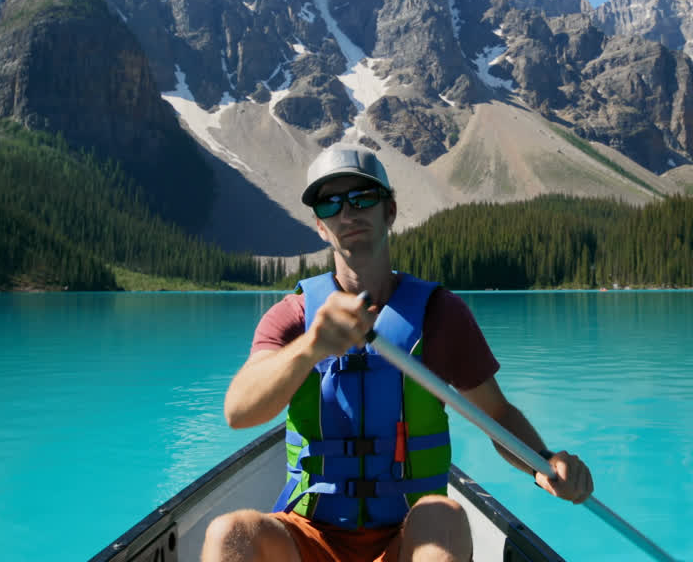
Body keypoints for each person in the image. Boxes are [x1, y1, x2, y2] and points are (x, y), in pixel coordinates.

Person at [202, 144, 593, 562]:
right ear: (319, 225)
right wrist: (310, 347)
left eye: (362, 197)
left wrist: (543, 462)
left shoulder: (441, 315)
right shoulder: (293, 316)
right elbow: (238, 412)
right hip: (311, 532)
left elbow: (496, 415)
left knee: (444, 513)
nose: (348, 213)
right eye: (330, 203)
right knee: (230, 533)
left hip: (407, 535)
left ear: (389, 211)